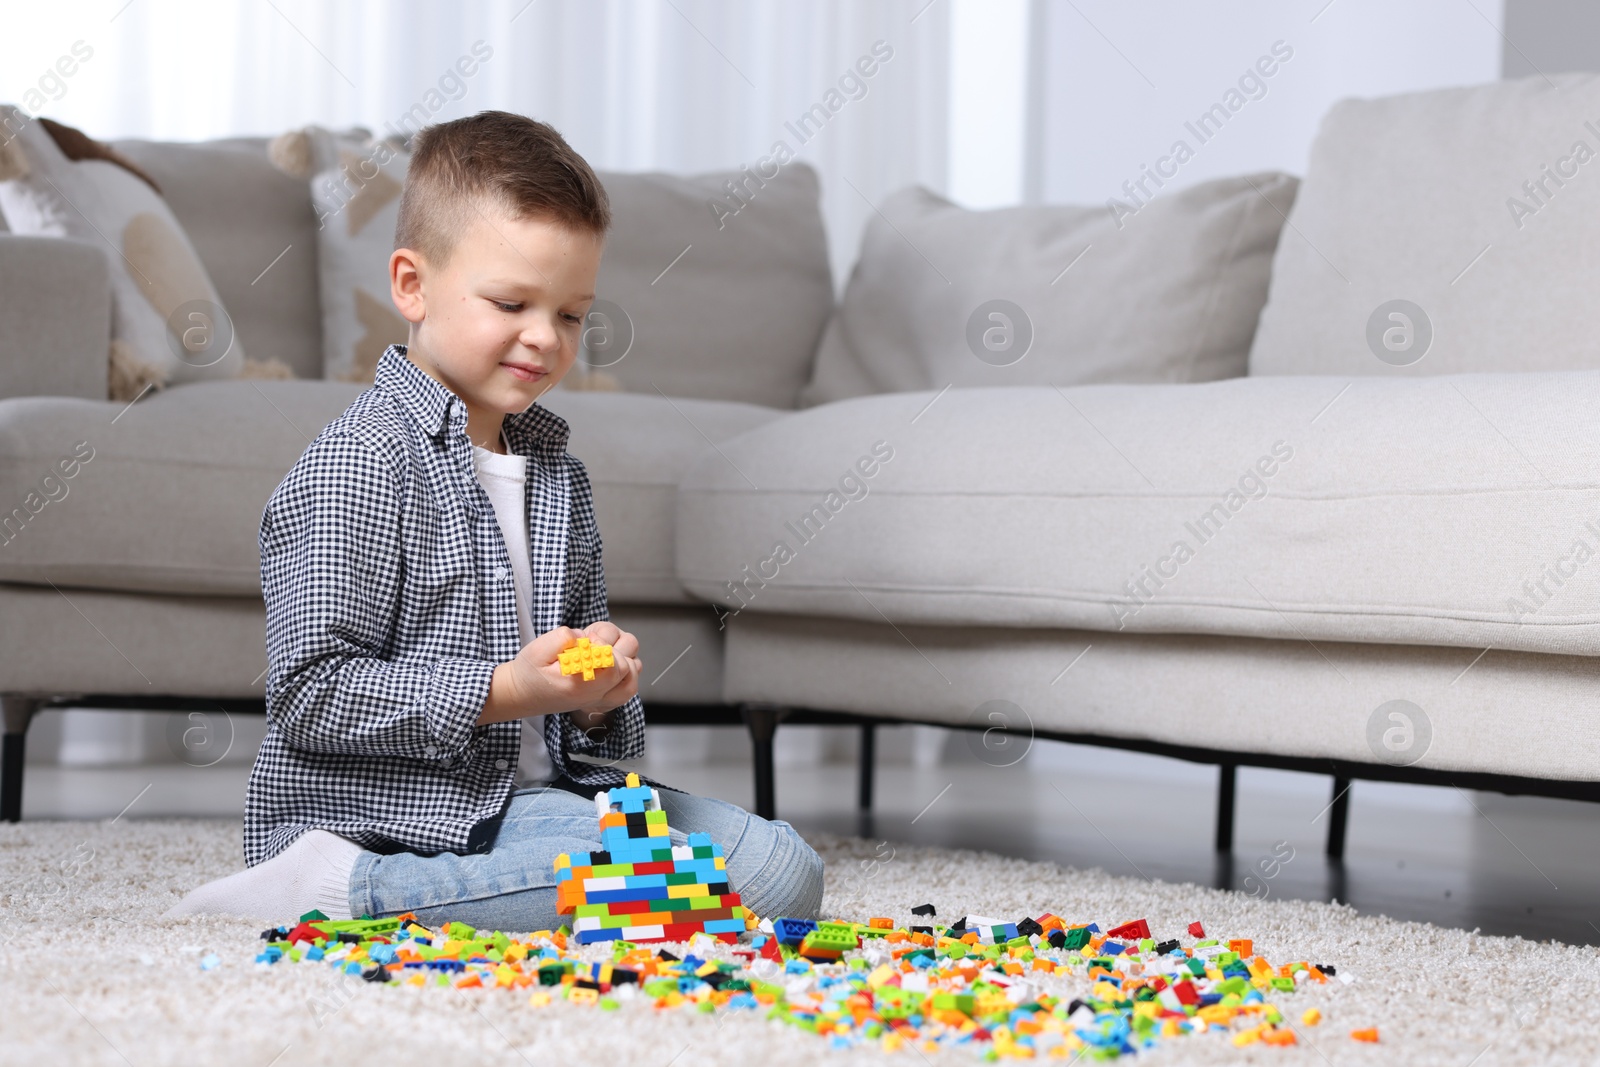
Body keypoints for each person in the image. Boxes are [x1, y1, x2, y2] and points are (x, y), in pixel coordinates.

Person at [163, 110, 824, 930]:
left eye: (572, 314)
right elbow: (312, 695)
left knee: (784, 870)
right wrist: (505, 688)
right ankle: (329, 884)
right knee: (669, 880)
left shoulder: (557, 476)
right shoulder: (357, 466)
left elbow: (587, 733)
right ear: (412, 284)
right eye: (511, 301)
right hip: (403, 816)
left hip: (544, 800)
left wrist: (595, 695)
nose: (545, 338)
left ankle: (540, 886)